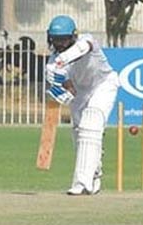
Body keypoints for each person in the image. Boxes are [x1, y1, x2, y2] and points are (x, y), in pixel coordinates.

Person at [44, 15, 119, 195]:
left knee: (91, 123)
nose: (60, 43)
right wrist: (62, 91)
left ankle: (82, 184)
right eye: (56, 39)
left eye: (64, 39)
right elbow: (68, 88)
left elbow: (84, 48)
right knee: (80, 132)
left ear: (73, 36)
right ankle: (94, 173)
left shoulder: (86, 40)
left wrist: (62, 60)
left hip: (103, 85)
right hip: (80, 92)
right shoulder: (52, 64)